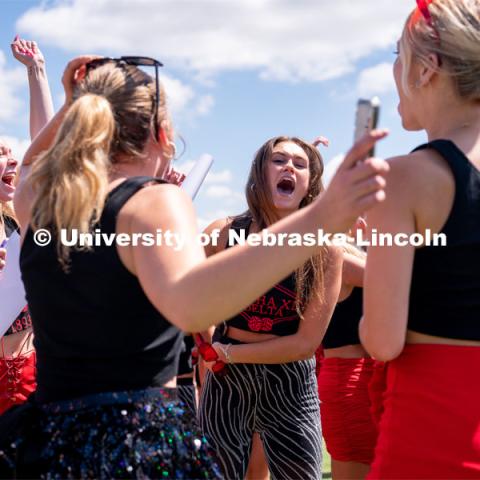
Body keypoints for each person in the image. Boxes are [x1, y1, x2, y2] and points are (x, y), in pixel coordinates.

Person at [0, 53, 388, 478]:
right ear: (163, 136)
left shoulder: (38, 200)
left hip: (49, 438)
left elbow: (35, 163)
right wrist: (322, 216)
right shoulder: (152, 202)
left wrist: (76, 101)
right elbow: (192, 305)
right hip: (136, 440)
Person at [360, 0, 480, 477]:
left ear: (427, 67)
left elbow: (383, 340)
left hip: (436, 423)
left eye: (398, 52)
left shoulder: (406, 177)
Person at [198, 136, 342, 480]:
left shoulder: (325, 248)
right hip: (227, 380)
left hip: (291, 380)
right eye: (278, 160)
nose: (289, 166)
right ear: (260, 173)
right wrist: (206, 346)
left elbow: (305, 343)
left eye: (300, 163)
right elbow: (190, 295)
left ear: (310, 183)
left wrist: (226, 353)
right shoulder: (223, 233)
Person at [0, 37, 54, 416]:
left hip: (33, 370)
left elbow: (47, 154)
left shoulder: (17, 218)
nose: (13, 162)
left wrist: (37, 72)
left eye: (13, 155)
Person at [318, 225, 377, 480]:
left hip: (366, 375)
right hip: (349, 380)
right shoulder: (338, 257)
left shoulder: (351, 254)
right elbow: (395, 277)